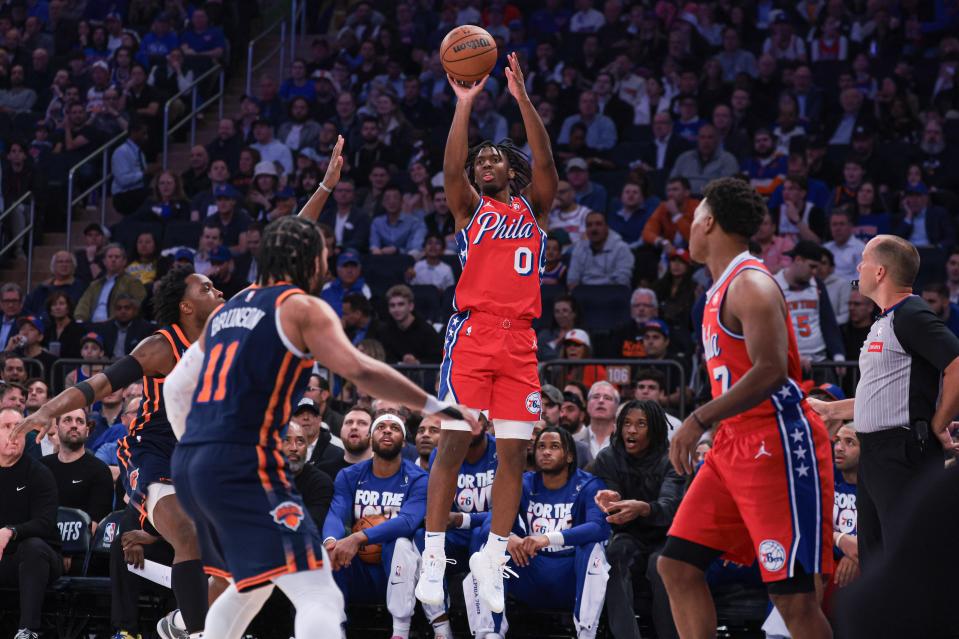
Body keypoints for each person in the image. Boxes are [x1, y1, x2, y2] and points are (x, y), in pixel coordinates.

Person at [163, 198, 476, 637]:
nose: (328, 261)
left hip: (192, 465)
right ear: (309, 258)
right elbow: (363, 370)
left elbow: (174, 387)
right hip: (242, 463)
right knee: (318, 593)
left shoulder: (230, 309)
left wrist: (197, 449)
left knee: (250, 584)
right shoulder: (301, 309)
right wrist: (441, 406)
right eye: (324, 251)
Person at [659, 177, 834, 639]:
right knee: (676, 565)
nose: (689, 229)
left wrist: (698, 418)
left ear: (709, 221)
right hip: (733, 443)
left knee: (794, 598)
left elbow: (772, 369)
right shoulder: (718, 288)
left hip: (776, 441)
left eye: (694, 218)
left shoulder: (751, 283)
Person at [416, 53, 558, 615]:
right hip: (473, 335)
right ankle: (432, 555)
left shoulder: (535, 210)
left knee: (514, 455)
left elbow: (546, 160)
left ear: (512, 173)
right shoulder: (469, 212)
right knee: (454, 441)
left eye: (494, 160)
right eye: (480, 162)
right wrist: (465, 104)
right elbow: (452, 170)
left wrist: (521, 97)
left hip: (520, 341)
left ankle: (492, 557)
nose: (483, 166)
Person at [16, 266, 226, 639]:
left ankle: (177, 623)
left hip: (201, 458)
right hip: (155, 450)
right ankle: (196, 633)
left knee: (241, 568)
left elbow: (275, 266)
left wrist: (299, 230)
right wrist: (48, 410)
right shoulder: (161, 346)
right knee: (187, 533)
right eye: (206, 288)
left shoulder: (229, 333)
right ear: (186, 306)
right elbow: (98, 384)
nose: (219, 291)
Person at [807, 235, 959, 569]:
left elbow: (956, 364)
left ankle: (925, 623)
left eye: (862, 260)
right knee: (876, 564)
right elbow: (884, 394)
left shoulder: (912, 314)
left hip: (902, 452)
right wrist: (832, 410)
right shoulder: (885, 320)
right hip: (876, 453)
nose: (856, 268)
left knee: (908, 562)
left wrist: (935, 423)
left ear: (879, 272)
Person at [465, 427, 611, 639]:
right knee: (488, 544)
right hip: (529, 569)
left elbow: (599, 527)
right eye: (541, 446)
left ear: (569, 455)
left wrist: (546, 539)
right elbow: (490, 521)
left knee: (593, 549)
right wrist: (507, 538)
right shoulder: (523, 482)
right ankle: (490, 632)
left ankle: (587, 633)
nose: (546, 452)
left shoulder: (589, 484)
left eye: (554, 447)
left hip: (570, 573)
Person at [322, 413, 440, 639]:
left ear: (404, 441)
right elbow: (336, 514)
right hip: (360, 568)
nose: (387, 431)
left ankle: (401, 631)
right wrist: (330, 543)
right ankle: (333, 630)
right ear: (370, 438)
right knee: (330, 552)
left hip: (398, 570)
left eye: (394, 428)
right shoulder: (349, 475)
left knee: (398, 543)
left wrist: (358, 538)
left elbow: (407, 522)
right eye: (381, 427)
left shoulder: (419, 478)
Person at [591, 400, 683, 639]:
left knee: (660, 564)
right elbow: (609, 505)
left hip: (667, 535)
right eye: (627, 424)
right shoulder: (607, 458)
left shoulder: (671, 458)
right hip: (628, 534)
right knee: (613, 555)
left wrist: (643, 508)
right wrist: (610, 502)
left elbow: (670, 508)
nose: (631, 430)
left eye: (640, 424)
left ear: (654, 428)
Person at [0, 408, 61, 639]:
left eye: (21, 428)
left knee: (33, 547)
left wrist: (11, 531)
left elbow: (45, 523)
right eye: (7, 427)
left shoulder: (39, 473)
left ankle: (28, 630)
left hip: (40, 558)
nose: (15, 433)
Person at [774, 240, 846, 376]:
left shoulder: (817, 284)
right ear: (798, 260)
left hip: (819, 359)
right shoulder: (774, 284)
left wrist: (838, 354)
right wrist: (791, 355)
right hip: (788, 362)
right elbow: (772, 330)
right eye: (811, 267)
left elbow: (828, 321)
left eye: (817, 268)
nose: (814, 272)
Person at [40, 407, 114, 525]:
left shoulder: (100, 470)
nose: (74, 425)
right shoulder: (42, 468)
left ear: (87, 431)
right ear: (57, 429)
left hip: (82, 540)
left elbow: (98, 523)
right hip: (44, 538)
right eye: (67, 420)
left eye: (80, 421)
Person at [74, 244, 147, 323]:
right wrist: (79, 320)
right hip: (92, 326)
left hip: (117, 325)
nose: (113, 259)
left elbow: (137, 305)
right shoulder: (95, 285)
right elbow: (84, 304)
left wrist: (111, 322)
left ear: (124, 261)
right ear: (104, 261)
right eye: (110, 257)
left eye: (117, 257)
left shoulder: (132, 282)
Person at [282, 420, 334, 530]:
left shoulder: (321, 482)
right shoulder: (262, 478)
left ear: (308, 447)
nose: (294, 448)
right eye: (286, 440)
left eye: (300, 441)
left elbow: (313, 524)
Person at [567, 211, 634, 287]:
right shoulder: (579, 248)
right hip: (584, 293)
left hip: (612, 293)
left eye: (598, 224)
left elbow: (622, 281)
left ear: (607, 227)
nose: (593, 229)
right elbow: (572, 280)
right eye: (589, 225)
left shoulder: (621, 248)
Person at [378, 284, 443, 364]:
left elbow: (438, 359)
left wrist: (417, 362)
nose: (396, 309)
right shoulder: (385, 331)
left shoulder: (426, 331)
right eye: (392, 305)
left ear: (411, 306)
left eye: (401, 304)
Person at [831, 424, 860, 592]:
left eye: (850, 442)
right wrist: (842, 541)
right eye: (837, 441)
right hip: (828, 566)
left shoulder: (880, 489)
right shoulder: (824, 480)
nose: (839, 448)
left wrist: (857, 555)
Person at [633, 369, 682, 439]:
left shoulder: (674, 424)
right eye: (641, 387)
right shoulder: (624, 422)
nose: (645, 391)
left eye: (651, 388)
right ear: (635, 392)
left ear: (661, 393)